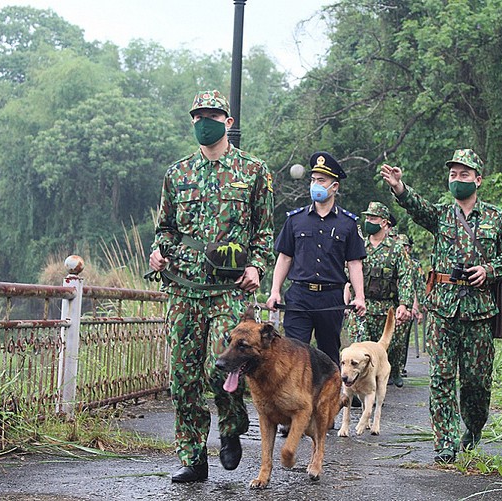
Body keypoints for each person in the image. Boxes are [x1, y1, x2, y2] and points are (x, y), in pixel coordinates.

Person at [148, 90, 275, 483]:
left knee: (221, 368)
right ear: (192, 122)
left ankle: (232, 427)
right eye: (198, 115)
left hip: (229, 288)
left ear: (228, 121)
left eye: (212, 114)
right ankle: (192, 456)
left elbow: (266, 232)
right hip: (184, 288)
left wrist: (257, 265)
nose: (205, 121)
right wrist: (158, 252)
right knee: (182, 376)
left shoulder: (255, 172)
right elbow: (165, 230)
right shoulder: (177, 173)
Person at [380, 148, 502, 464]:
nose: (458, 180)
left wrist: (489, 270)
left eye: (464, 174)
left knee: (475, 383)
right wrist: (399, 187)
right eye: (453, 174)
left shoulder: (496, 218)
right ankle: (445, 442)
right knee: (441, 378)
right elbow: (416, 208)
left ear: (478, 180)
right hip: (443, 309)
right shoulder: (442, 215)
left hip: (479, 311)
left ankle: (473, 425)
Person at [265, 152, 367, 366]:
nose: (316, 185)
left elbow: (355, 263)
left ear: (335, 187)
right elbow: (284, 258)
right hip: (299, 295)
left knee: (329, 355)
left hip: (330, 298)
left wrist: (360, 297)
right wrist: (275, 291)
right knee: (293, 352)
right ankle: (295, 399)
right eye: (313, 180)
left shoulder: (347, 224)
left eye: (321, 180)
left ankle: (329, 398)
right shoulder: (295, 220)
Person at [346, 202, 413, 387]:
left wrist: (404, 304)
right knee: (359, 346)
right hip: (362, 306)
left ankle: (394, 371)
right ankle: (359, 386)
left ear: (384, 222)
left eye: (373, 218)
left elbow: (406, 276)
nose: (369, 221)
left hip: (387, 307)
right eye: (367, 218)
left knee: (392, 345)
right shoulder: (359, 245)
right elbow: (347, 273)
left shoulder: (397, 248)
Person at [393, 233, 426, 378]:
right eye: (401, 246)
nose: (404, 249)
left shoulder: (415, 266)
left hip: (407, 303)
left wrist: (416, 308)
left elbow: (417, 287)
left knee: (401, 338)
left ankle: (399, 368)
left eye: (406, 246)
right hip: (391, 302)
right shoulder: (392, 258)